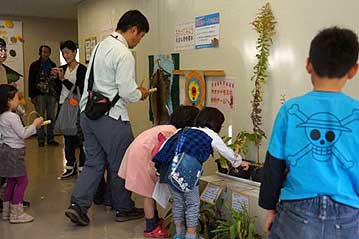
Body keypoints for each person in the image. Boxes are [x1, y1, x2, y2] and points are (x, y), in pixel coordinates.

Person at [259, 27, 359, 239]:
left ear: (308, 65)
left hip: (296, 211)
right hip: (349, 214)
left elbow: (274, 165)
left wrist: (269, 207)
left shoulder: (290, 110)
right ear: (353, 70)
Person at [65, 9, 150, 226]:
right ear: (133, 30)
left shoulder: (100, 46)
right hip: (111, 118)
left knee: (94, 162)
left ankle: (78, 206)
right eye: (140, 36)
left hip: (87, 114)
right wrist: (141, 92)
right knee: (120, 163)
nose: (139, 41)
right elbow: (127, 92)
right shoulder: (123, 53)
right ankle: (123, 207)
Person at [153, 107, 250, 239]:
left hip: (170, 169)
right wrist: (239, 162)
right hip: (187, 171)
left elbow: (166, 145)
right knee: (192, 204)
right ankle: (191, 236)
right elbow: (227, 152)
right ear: (216, 123)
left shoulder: (185, 130)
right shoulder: (211, 135)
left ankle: (179, 234)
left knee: (178, 203)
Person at [118, 105, 199, 238]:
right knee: (149, 194)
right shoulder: (172, 134)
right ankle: (151, 228)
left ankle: (154, 221)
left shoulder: (168, 128)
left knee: (151, 191)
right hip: (142, 157)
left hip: (139, 153)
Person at [0, 84, 44, 223]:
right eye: (16, 98)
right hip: (14, 153)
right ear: (8, 101)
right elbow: (23, 134)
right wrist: (35, 124)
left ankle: (6, 211)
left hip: (6, 150)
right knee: (22, 181)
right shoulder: (11, 117)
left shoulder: (3, 116)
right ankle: (16, 214)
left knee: (11, 181)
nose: (19, 100)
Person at [53, 40, 87, 179]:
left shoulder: (82, 69)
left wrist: (63, 80)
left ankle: (82, 166)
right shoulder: (62, 68)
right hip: (63, 104)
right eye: (63, 53)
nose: (66, 55)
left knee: (80, 136)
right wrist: (56, 79)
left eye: (67, 52)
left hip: (77, 105)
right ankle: (70, 165)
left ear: (74, 52)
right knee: (67, 137)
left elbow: (79, 88)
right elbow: (57, 90)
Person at [28, 45, 60, 147]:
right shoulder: (34, 65)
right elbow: (31, 81)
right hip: (39, 95)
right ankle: (41, 139)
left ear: (49, 53)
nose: (45, 54)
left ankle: (50, 138)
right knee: (40, 117)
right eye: (43, 52)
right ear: (40, 53)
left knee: (51, 117)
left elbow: (57, 81)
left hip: (51, 94)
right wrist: (32, 96)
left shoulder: (53, 65)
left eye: (47, 52)